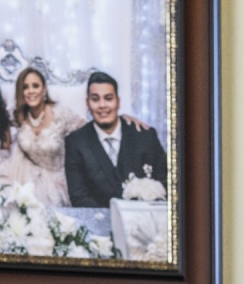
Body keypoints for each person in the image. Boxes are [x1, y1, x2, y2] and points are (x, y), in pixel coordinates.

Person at [63, 72, 167, 207]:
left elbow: (165, 182)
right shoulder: (75, 142)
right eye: (95, 99)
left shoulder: (145, 136)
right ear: (87, 103)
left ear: (118, 101)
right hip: (101, 223)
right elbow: (79, 197)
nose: (102, 105)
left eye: (108, 98)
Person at [4, 67, 83, 205]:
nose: (31, 91)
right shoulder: (18, 116)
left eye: (35, 86)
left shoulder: (60, 114)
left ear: (44, 90)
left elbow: (91, 129)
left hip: (58, 180)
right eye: (25, 87)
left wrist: (123, 119)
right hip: (27, 177)